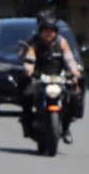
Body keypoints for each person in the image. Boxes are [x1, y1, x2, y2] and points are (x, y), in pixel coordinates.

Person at [20, 10, 83, 144]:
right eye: (46, 31)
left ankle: (65, 128)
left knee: (73, 97)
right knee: (27, 94)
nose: (49, 34)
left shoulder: (62, 43)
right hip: (39, 78)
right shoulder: (34, 42)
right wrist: (29, 70)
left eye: (52, 31)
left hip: (59, 78)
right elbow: (29, 59)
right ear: (41, 31)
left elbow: (69, 59)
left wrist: (74, 72)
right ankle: (27, 124)